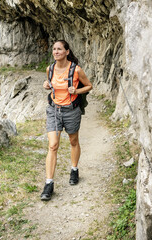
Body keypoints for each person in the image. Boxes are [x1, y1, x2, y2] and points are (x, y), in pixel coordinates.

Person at [40, 40, 93, 201]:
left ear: (67, 52)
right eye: (54, 49)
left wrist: (76, 90)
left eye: (59, 49)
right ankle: (49, 184)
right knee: (53, 145)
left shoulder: (76, 70)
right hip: (54, 110)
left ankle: (74, 169)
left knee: (73, 141)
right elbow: (48, 82)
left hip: (71, 110)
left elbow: (89, 86)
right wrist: (46, 85)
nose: (56, 52)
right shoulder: (50, 69)